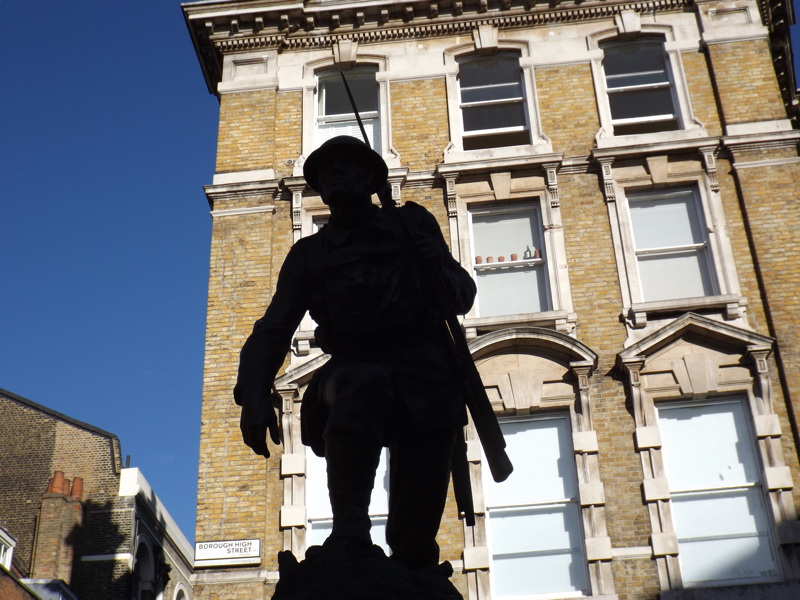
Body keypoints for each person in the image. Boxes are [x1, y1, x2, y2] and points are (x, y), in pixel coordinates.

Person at [234, 135, 477, 570]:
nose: (337, 175)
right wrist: (253, 392)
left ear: (371, 179)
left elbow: (460, 298)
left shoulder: (412, 225)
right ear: (320, 188)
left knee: (415, 540)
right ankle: (350, 528)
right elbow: (273, 329)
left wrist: (436, 261)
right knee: (363, 383)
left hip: (423, 370)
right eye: (328, 171)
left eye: (349, 166)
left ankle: (415, 566)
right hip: (351, 369)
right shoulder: (310, 254)